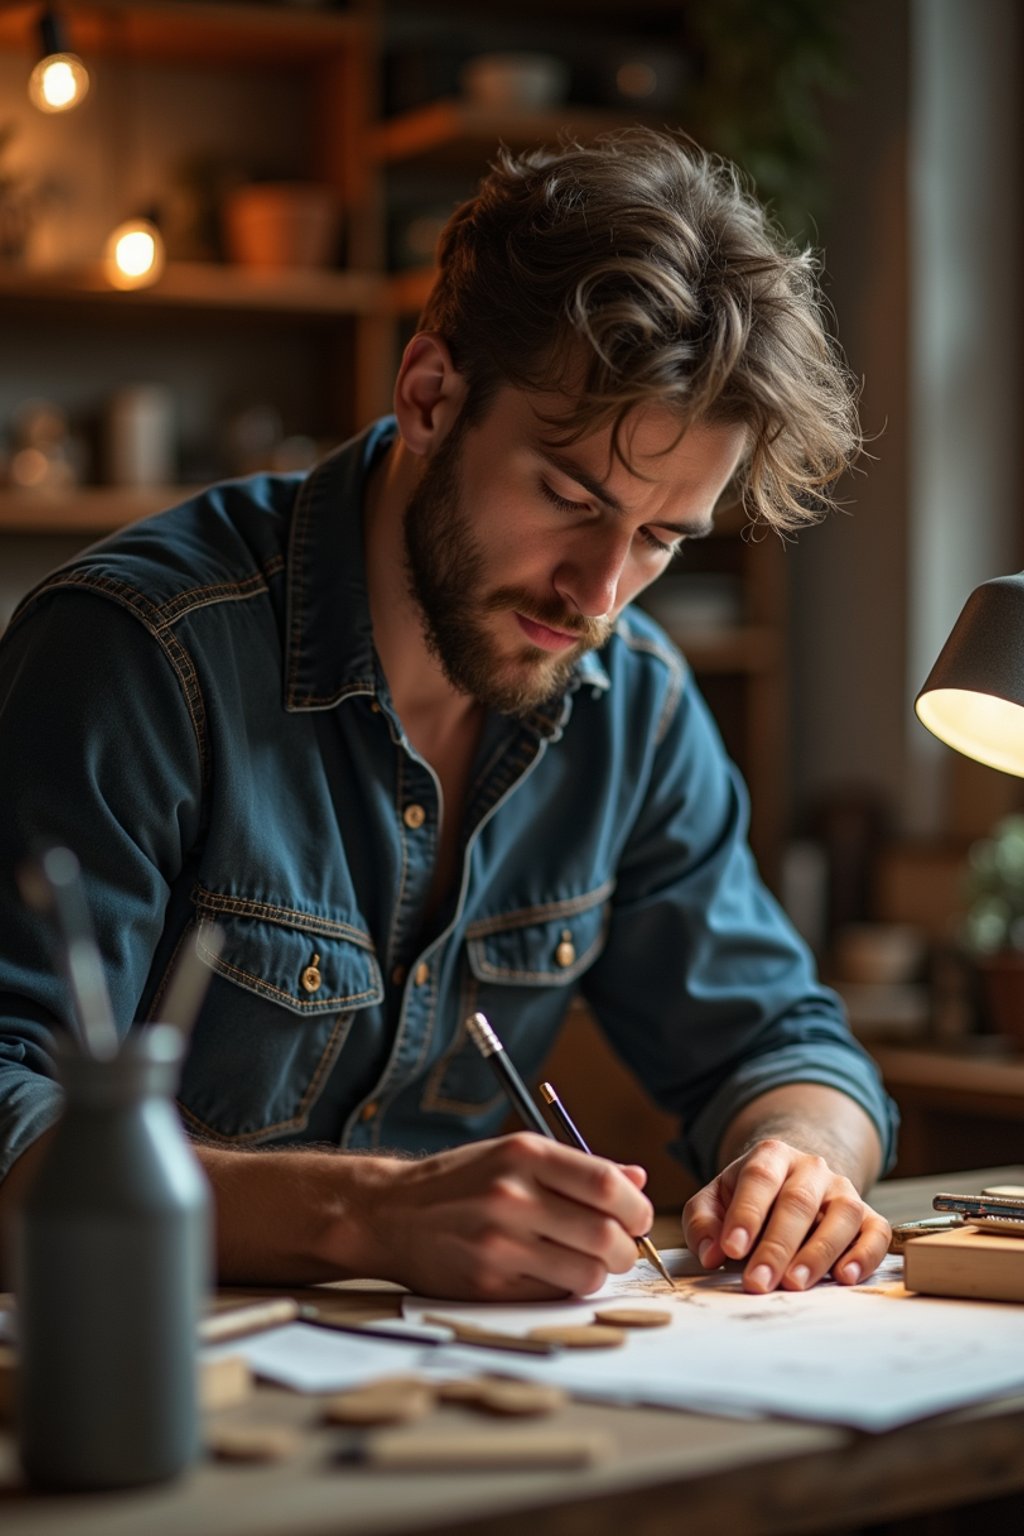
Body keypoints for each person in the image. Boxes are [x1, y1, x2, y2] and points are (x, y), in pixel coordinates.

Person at [0, 129, 897, 1300]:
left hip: (451, 1402)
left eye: (664, 539)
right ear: (430, 395)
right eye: (570, 497)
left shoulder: (637, 706)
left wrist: (804, 1161)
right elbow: (11, 1113)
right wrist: (367, 1216)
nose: (600, 594)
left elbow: (787, 1044)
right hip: (130, 1397)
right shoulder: (135, 654)